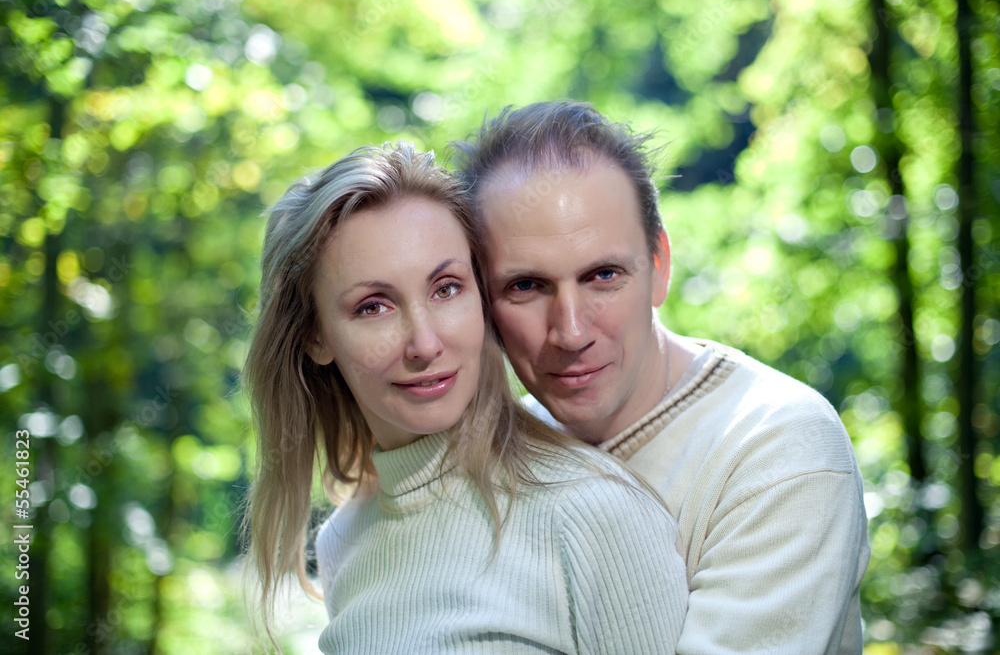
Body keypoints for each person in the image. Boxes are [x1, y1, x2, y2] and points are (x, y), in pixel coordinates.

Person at [454, 101, 871, 655]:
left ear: (659, 266)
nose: (572, 331)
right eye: (527, 286)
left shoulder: (777, 446)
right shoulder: (494, 455)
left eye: (603, 276)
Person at [242, 141, 688, 654]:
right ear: (314, 336)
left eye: (446, 288)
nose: (425, 344)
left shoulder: (593, 513)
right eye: (373, 307)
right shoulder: (343, 540)